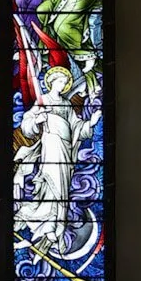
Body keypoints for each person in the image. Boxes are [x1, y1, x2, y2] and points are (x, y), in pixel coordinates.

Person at [14, 66, 86, 246]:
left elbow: (76, 127)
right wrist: (36, 121)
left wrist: (89, 124)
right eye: (60, 81)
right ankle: (48, 225)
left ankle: (56, 224)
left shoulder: (67, 105)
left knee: (62, 188)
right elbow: (27, 123)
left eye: (64, 82)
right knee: (50, 185)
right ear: (52, 82)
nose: (62, 86)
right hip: (51, 145)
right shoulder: (43, 100)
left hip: (66, 150)